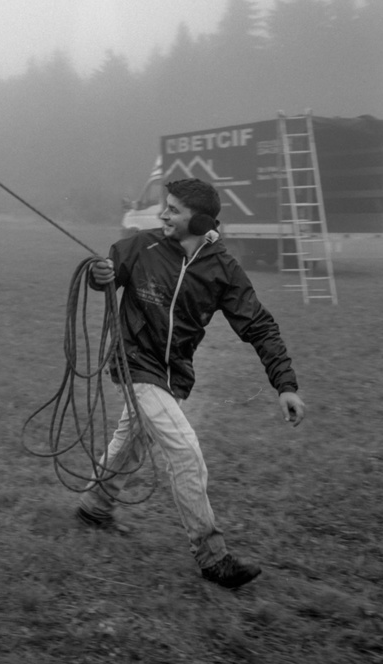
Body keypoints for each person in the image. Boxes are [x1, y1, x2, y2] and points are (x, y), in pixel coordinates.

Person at [78, 177, 306, 589]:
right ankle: (212, 556)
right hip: (134, 363)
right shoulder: (138, 246)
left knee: (132, 440)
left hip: (173, 376)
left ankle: (95, 506)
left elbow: (259, 325)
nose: (163, 214)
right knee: (185, 452)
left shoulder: (222, 269)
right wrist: (100, 275)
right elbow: (106, 277)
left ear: (200, 221)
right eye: (165, 206)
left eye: (173, 210)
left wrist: (284, 384)